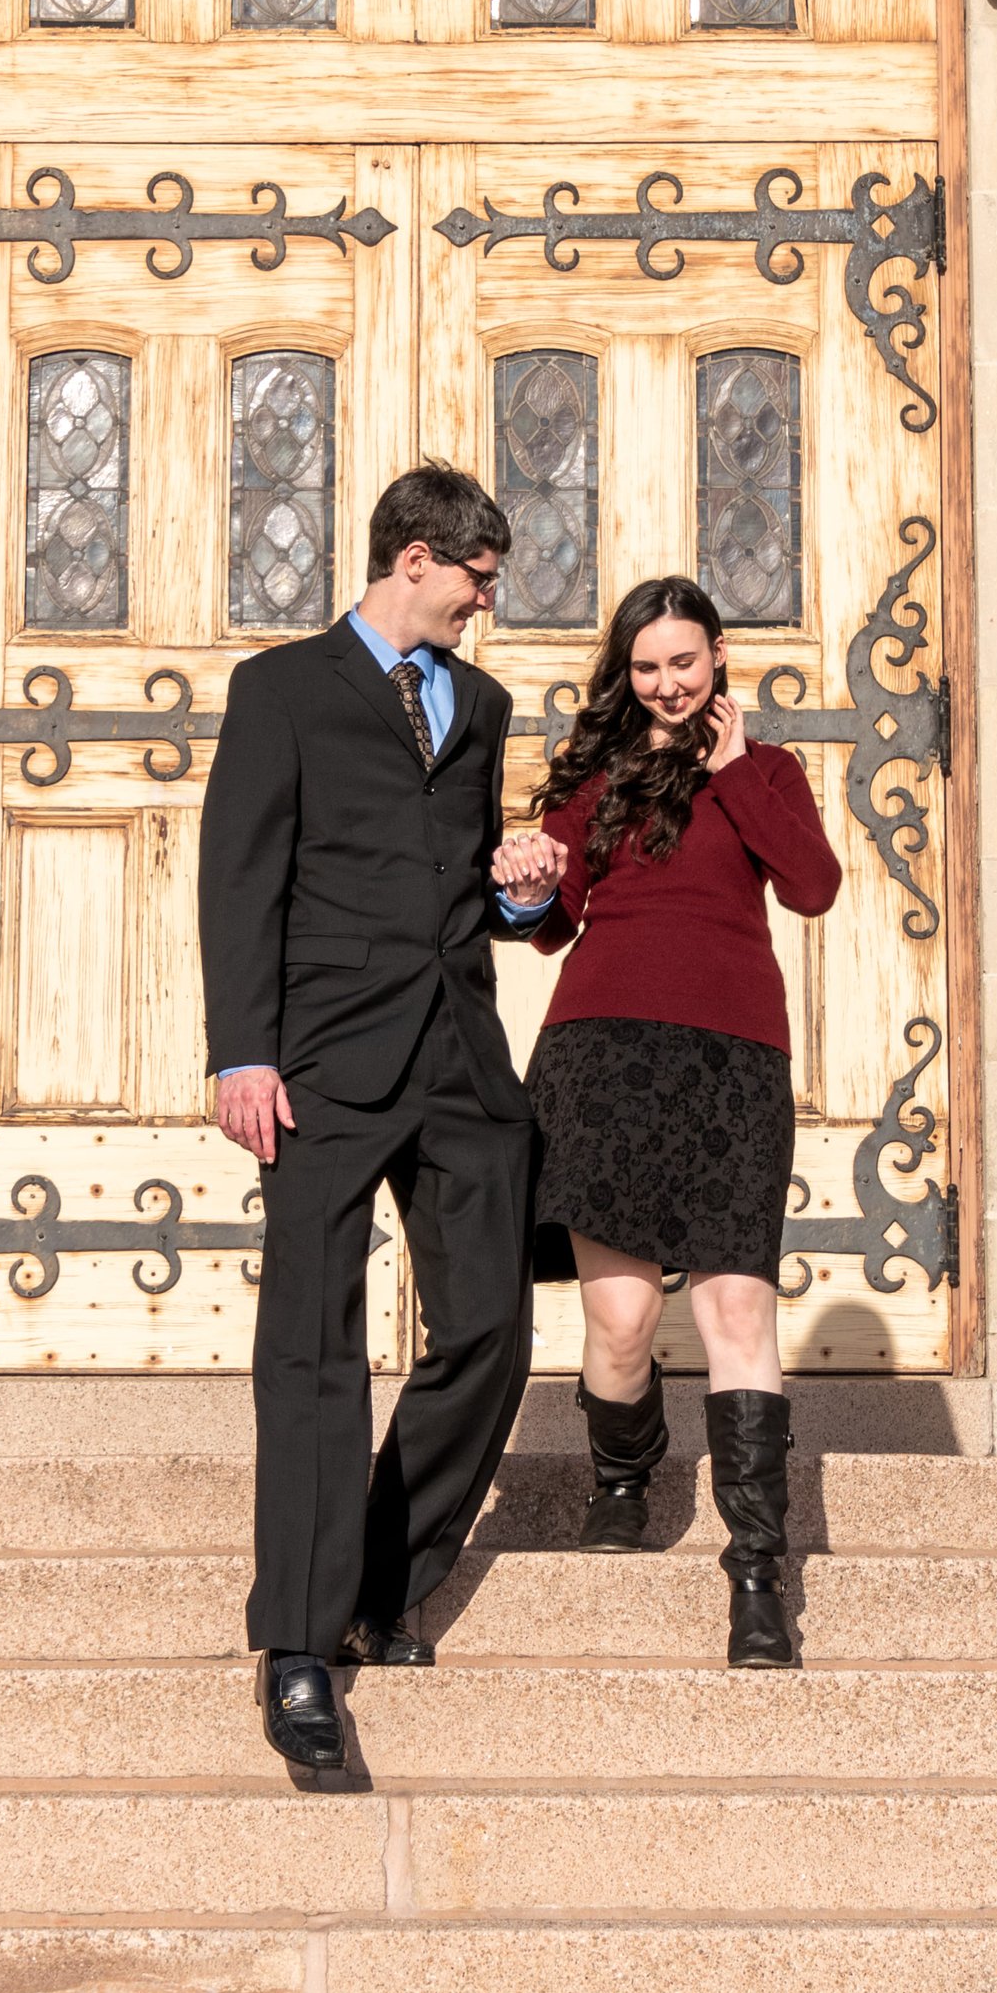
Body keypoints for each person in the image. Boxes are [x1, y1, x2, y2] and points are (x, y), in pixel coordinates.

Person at [200, 462, 563, 1773]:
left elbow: (470, 877)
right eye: (477, 577)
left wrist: (523, 892)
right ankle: (298, 1645)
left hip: (463, 1061)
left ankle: (377, 1576)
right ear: (415, 557)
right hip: (323, 1065)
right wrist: (242, 1052)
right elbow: (241, 876)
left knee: (491, 1329)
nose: (485, 602)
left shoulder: (482, 703)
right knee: (312, 1344)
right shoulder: (282, 690)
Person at [495, 575, 842, 1666]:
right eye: (645, 667)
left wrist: (736, 773)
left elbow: (814, 886)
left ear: (718, 655)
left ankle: (756, 1580)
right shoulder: (595, 775)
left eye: (682, 662)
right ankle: (621, 1477)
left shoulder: (765, 771)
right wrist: (524, 876)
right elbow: (547, 923)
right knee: (624, 1323)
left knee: (739, 1311)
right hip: (602, 1057)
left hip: (734, 1062)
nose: (665, 684)